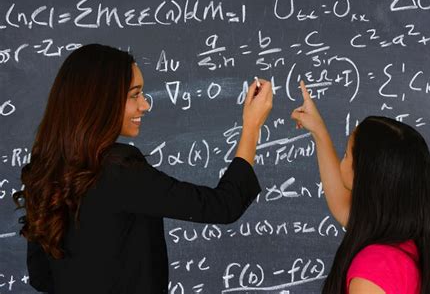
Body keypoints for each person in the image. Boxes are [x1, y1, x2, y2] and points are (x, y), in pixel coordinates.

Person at [13, 44, 273, 294]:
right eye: (134, 94)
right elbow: (223, 205)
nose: (145, 105)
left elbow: (41, 276)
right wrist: (251, 127)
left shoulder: (43, 172)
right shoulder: (119, 171)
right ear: (101, 101)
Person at [291, 81, 430, 294]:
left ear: (365, 178)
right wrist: (319, 131)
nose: (341, 163)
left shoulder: (374, 269)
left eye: (346, 155)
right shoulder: (405, 244)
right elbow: (340, 203)